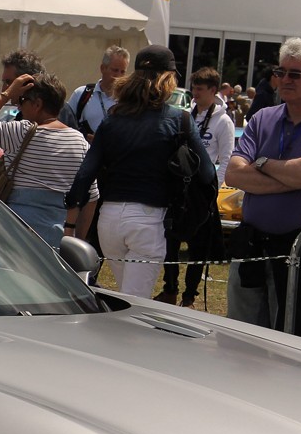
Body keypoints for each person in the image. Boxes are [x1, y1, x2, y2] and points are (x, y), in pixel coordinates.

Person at [223, 38, 301, 342]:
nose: (285, 80)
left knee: (297, 342)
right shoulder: (262, 118)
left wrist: (261, 162)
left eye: (295, 74)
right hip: (253, 245)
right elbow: (234, 174)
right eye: (281, 72)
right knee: (240, 341)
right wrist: (293, 177)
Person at [65, 44, 212, 299]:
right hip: (148, 220)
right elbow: (208, 173)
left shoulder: (112, 119)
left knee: (126, 296)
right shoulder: (179, 120)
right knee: (134, 303)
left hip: (109, 220)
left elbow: (85, 173)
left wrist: (69, 222)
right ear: (169, 78)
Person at [0, 72, 92, 243]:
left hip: (15, 231)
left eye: (22, 100)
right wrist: (77, 240)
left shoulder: (21, 132)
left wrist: (7, 93)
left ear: (37, 104)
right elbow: (91, 196)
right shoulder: (80, 142)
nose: (19, 106)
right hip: (57, 236)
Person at [158, 67, 234, 306]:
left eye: (200, 89)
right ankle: (170, 288)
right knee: (170, 241)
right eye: (194, 88)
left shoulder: (223, 121)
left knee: (198, 247)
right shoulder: (186, 115)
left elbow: (226, 158)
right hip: (180, 189)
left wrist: (213, 189)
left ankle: (189, 295)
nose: (195, 93)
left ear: (213, 90)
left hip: (203, 191)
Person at [59, 46, 129, 140]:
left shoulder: (128, 100)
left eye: (123, 72)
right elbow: (64, 124)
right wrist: (84, 136)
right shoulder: (81, 94)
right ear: (103, 68)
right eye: (115, 70)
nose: (118, 76)